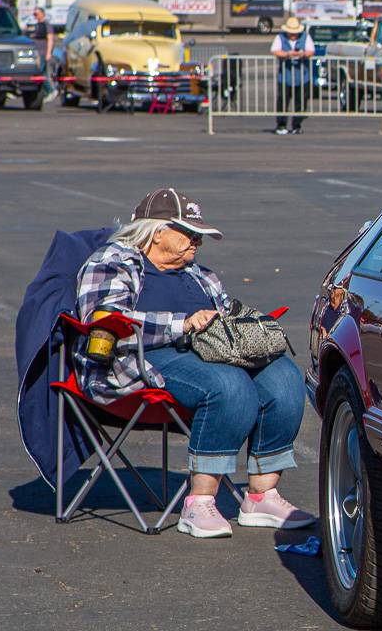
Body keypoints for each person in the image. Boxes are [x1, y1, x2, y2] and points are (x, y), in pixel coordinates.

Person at [75, 189, 314, 538]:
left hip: (208, 352)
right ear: (157, 232)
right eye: (189, 233)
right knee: (229, 385)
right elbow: (104, 321)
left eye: (199, 235)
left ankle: (261, 496)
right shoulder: (112, 261)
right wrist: (182, 324)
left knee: (285, 377)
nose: (197, 242)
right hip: (139, 360)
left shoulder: (200, 273)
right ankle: (199, 502)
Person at [270, 17, 316, 135]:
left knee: (301, 102)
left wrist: (303, 54)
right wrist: (287, 54)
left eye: (295, 33)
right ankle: (281, 125)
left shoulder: (305, 37)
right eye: (291, 33)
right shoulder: (280, 37)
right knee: (283, 101)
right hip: (285, 77)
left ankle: (296, 125)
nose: (293, 35)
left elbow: (311, 51)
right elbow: (274, 50)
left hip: (302, 77)